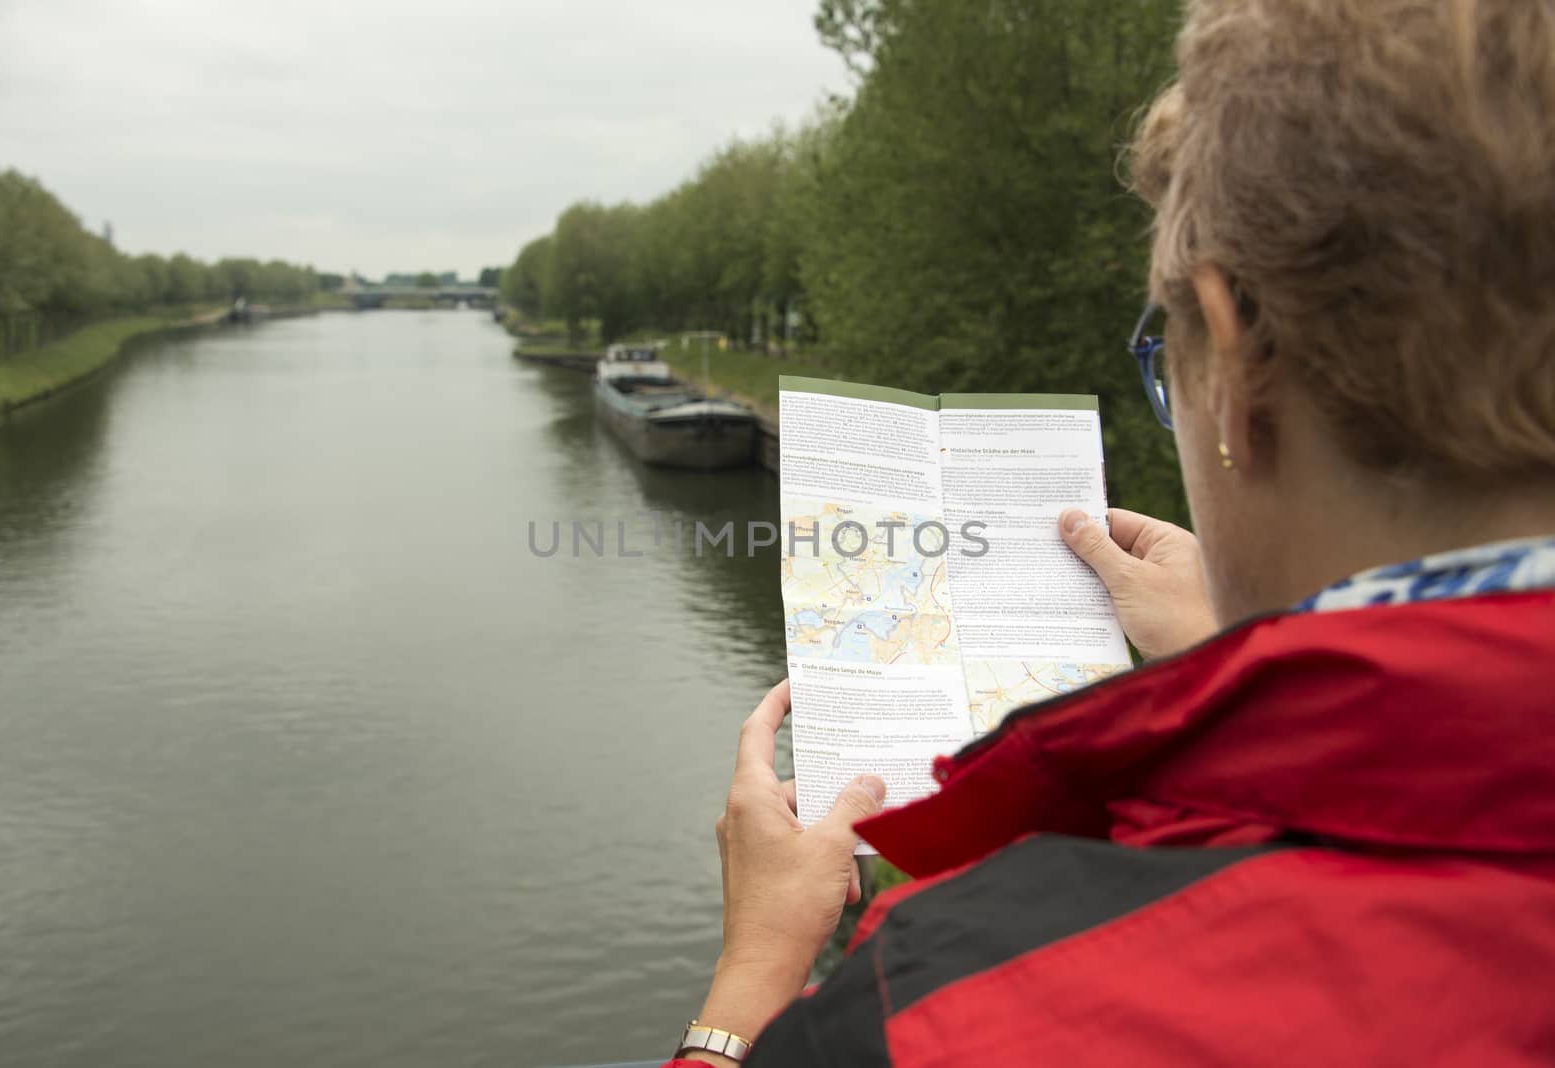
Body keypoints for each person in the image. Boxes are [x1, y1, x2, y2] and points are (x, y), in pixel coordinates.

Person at [663, 0, 1555, 1064]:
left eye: (1163, 351)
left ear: (1233, 362)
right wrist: (1229, 662)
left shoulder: (952, 1002)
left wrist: (752, 983)